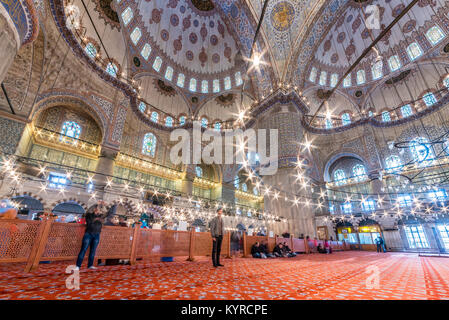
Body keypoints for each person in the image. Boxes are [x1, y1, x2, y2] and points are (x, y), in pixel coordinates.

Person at [74, 201, 107, 270]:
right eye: (97, 209)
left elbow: (107, 213)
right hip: (88, 234)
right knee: (83, 249)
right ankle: (78, 266)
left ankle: (90, 265)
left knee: (93, 251)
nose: (99, 210)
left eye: (100, 209)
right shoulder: (89, 215)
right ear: (95, 209)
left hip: (97, 234)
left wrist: (104, 206)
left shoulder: (101, 217)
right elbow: (89, 210)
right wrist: (96, 204)